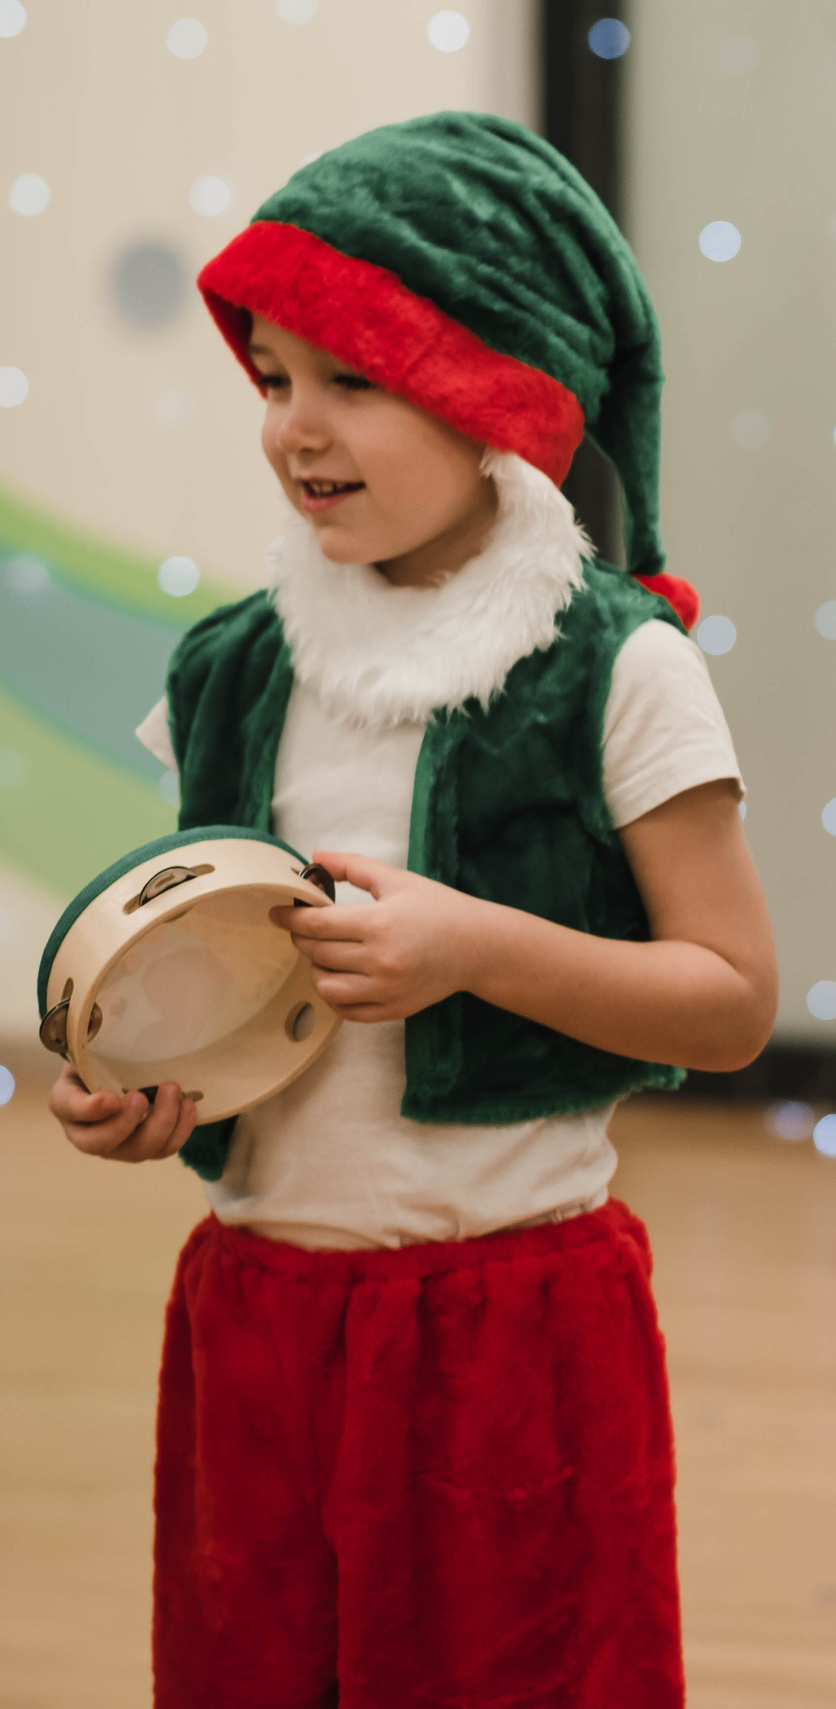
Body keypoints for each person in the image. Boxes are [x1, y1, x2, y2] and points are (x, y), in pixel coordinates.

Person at [44, 113, 776, 1704]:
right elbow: (214, 982)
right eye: (279, 374)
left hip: (511, 1329)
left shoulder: (619, 669)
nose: (297, 424)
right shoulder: (232, 667)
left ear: (497, 392)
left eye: (355, 378)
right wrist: (154, 1092)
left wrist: (472, 950)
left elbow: (730, 1000)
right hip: (258, 1317)